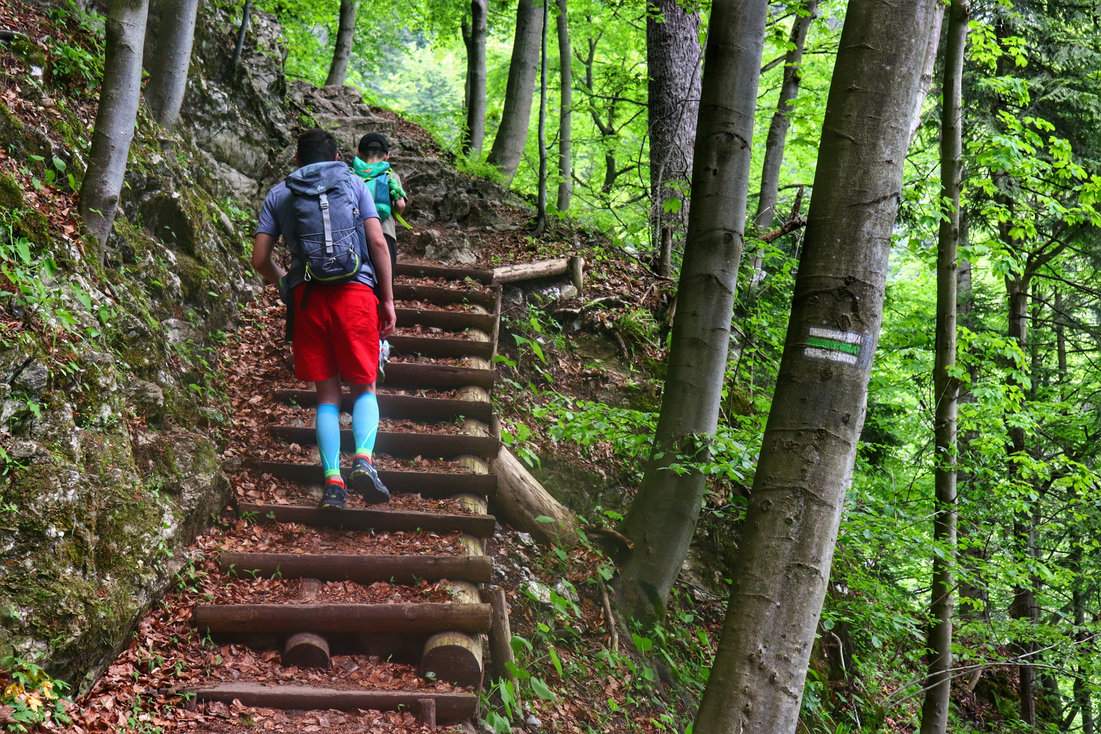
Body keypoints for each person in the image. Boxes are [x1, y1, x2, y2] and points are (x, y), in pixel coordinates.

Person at [251, 128, 397, 510]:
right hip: (356, 295)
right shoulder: (353, 183)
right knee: (364, 386)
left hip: (309, 299)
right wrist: (388, 299)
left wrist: (286, 282)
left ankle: (333, 482)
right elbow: (378, 242)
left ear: (297, 160)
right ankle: (363, 460)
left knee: (327, 396)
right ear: (337, 157)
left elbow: (259, 259)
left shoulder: (280, 193)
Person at [352, 132, 407, 270]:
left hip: (356, 236)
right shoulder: (391, 175)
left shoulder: (351, 175)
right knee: (384, 281)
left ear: (359, 153)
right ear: (387, 155)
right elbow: (400, 204)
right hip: (385, 234)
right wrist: (395, 216)